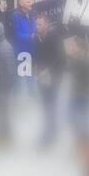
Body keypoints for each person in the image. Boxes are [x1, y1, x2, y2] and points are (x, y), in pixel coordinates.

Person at [33, 13, 67, 149]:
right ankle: (51, 127)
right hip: (41, 77)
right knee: (45, 104)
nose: (37, 26)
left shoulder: (55, 38)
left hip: (54, 77)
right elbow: (36, 56)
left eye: (39, 24)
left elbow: (62, 58)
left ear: (46, 25)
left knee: (51, 104)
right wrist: (38, 70)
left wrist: (49, 71)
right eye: (36, 24)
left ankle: (50, 132)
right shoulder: (36, 38)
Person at [64, 36, 89, 141]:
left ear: (79, 48)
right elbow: (69, 70)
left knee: (83, 121)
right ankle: (81, 140)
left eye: (73, 46)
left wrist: (85, 92)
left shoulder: (85, 61)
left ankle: (85, 141)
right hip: (76, 94)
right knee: (72, 117)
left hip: (83, 95)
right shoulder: (75, 59)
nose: (70, 48)